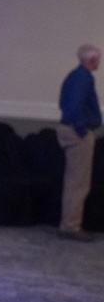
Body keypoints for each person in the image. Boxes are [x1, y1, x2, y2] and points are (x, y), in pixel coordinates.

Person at [56, 44, 102, 242]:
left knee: (74, 180)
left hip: (70, 129)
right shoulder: (84, 78)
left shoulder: (74, 76)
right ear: (91, 60)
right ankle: (71, 226)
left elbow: (64, 103)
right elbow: (74, 106)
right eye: (98, 58)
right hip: (78, 133)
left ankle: (70, 223)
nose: (99, 62)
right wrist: (82, 131)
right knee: (78, 183)